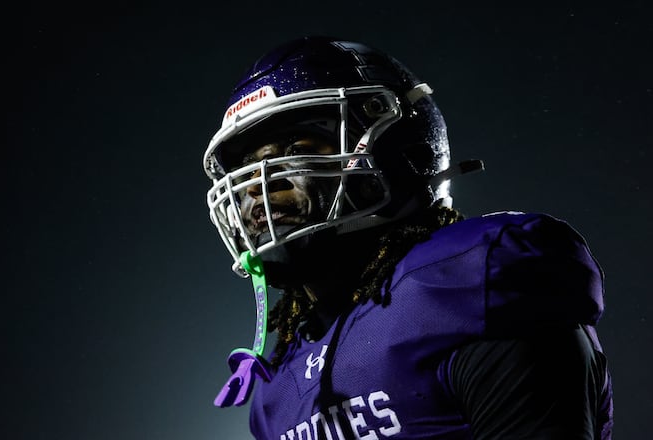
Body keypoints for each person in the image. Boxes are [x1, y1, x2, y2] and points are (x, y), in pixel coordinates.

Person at [202, 36, 613, 439]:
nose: (258, 184)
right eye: (248, 165)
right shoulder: (277, 386)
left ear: (399, 151)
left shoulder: (470, 285)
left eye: (295, 147)